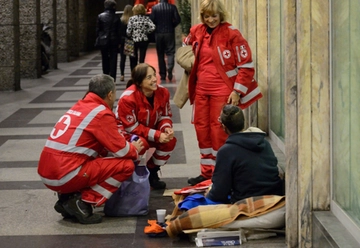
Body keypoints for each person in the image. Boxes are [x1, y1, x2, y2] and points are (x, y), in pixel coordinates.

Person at [37, 74, 144, 224]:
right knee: (125, 165)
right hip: (64, 175)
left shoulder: (80, 105)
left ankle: (66, 199)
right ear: (110, 94)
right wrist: (135, 149)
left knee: (96, 158)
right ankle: (82, 203)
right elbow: (122, 151)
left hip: (48, 172)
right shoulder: (101, 113)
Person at [184, 0, 263, 186]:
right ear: (202, 17)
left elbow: (246, 66)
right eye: (207, 16)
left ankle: (221, 173)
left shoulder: (232, 34)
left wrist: (237, 91)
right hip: (201, 90)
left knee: (219, 130)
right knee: (201, 129)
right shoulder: (198, 30)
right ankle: (206, 173)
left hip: (223, 90)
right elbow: (187, 42)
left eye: (214, 16)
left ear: (221, 15)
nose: (211, 20)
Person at [206, 104, 284, 203]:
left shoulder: (226, 152)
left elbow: (219, 193)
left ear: (223, 127)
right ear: (244, 122)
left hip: (247, 202)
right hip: (275, 198)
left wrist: (209, 194)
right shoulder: (264, 143)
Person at [116, 63, 177, 190]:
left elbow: (165, 115)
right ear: (139, 82)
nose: (154, 79)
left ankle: (152, 172)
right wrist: (156, 135)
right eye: (149, 77)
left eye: (154, 75)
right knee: (141, 143)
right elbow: (130, 128)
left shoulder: (163, 92)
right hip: (126, 133)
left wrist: (166, 129)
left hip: (148, 130)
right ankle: (130, 177)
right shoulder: (128, 98)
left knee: (169, 142)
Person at [150, 0, 181, 81]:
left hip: (159, 33)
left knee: (160, 54)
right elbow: (178, 19)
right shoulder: (172, 7)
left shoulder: (154, 8)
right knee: (170, 52)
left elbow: (151, 20)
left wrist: (157, 26)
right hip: (169, 32)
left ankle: (162, 74)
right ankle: (170, 67)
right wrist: (172, 25)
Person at [96, 0, 121, 81]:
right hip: (114, 40)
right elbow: (119, 31)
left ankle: (105, 75)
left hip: (103, 40)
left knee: (105, 58)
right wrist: (119, 42)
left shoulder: (100, 16)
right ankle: (113, 77)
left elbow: (98, 29)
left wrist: (99, 37)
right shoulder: (116, 17)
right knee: (114, 59)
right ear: (113, 7)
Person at [119, 4, 137, 82]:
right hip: (130, 41)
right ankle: (132, 74)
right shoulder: (132, 20)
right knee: (132, 59)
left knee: (122, 59)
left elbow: (119, 32)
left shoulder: (121, 20)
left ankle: (122, 74)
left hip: (123, 41)